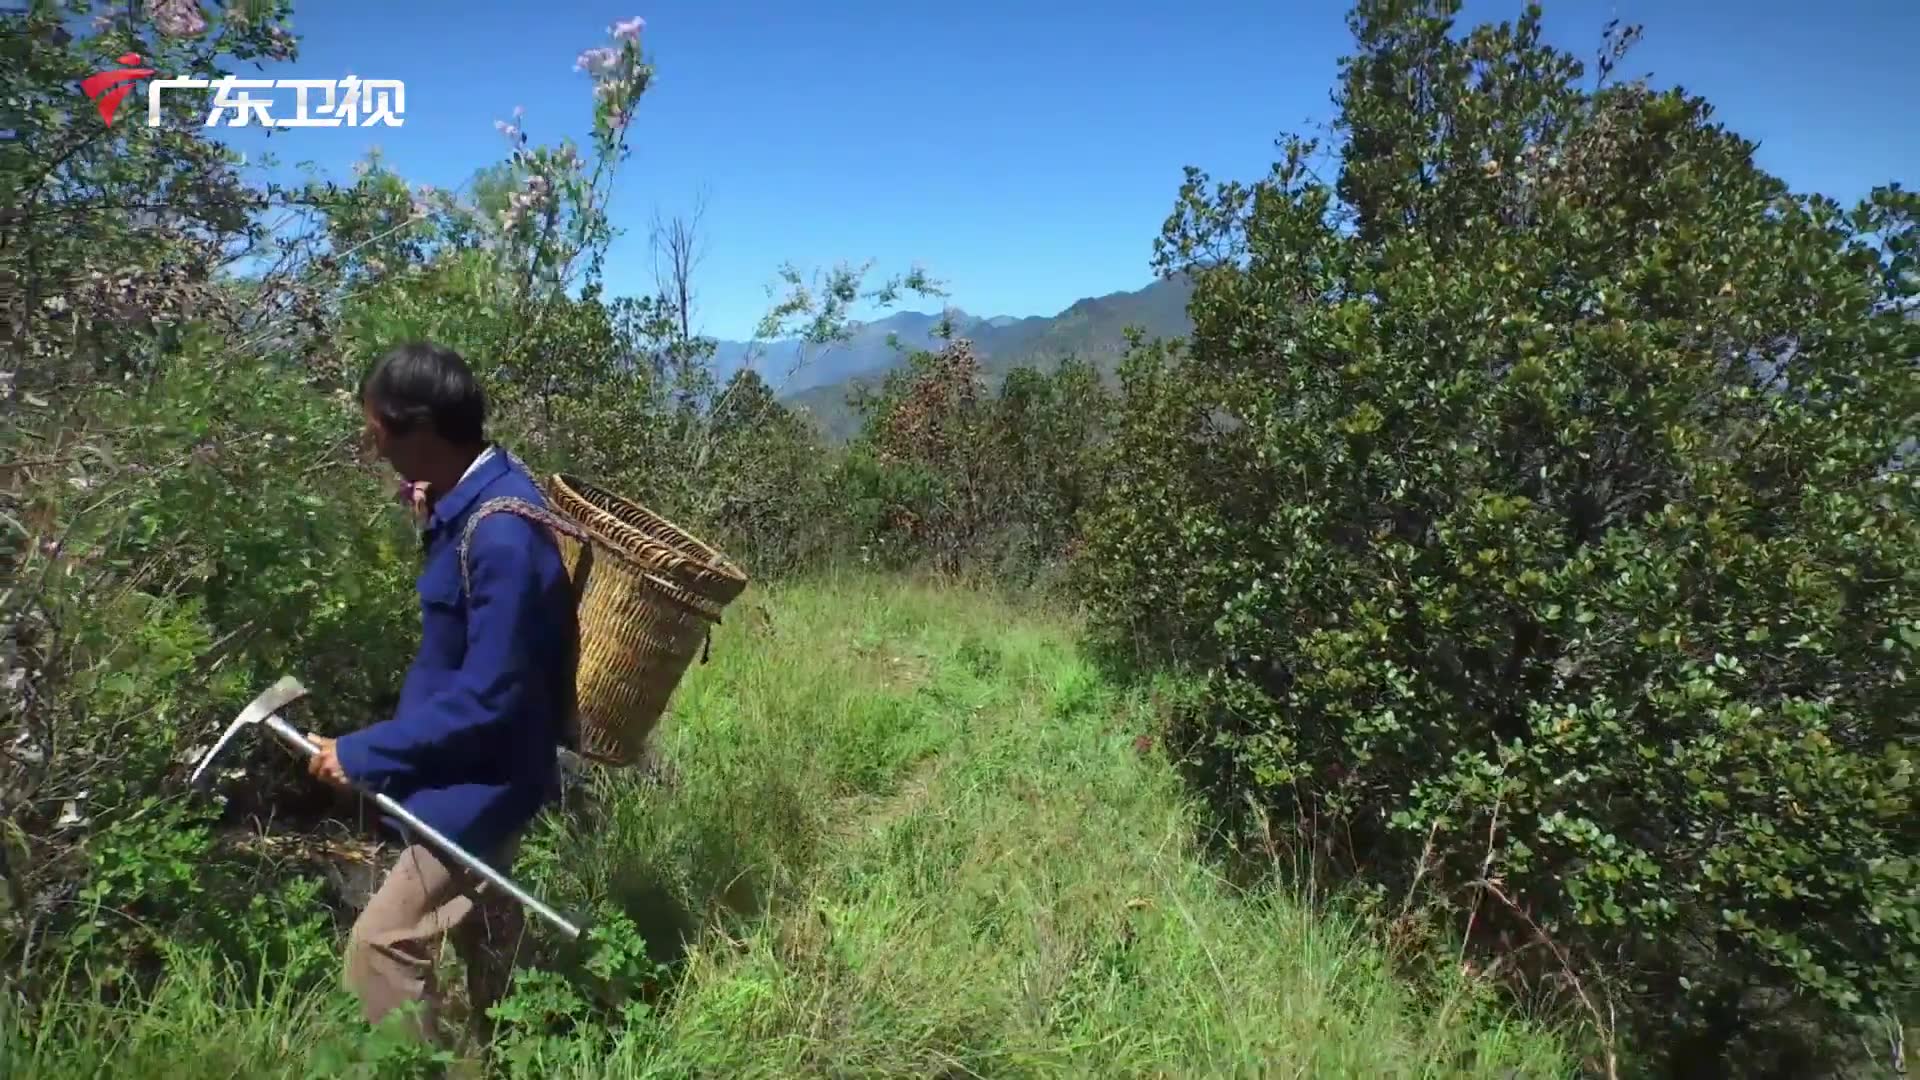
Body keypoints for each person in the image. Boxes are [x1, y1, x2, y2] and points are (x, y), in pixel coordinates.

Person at [305, 341, 577, 1046]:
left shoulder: (504, 535)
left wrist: (364, 751)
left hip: (483, 779)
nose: (374, 451)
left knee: (381, 946)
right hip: (474, 762)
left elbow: (491, 695)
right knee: (488, 930)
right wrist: (436, 509)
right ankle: (520, 1048)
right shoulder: (479, 496)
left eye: (379, 435)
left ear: (421, 432)